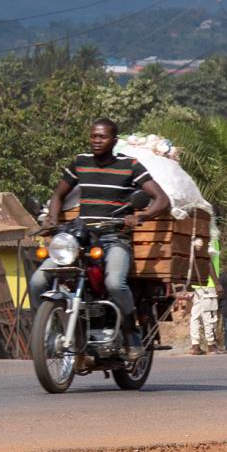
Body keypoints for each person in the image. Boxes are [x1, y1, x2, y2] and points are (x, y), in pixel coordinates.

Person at [31, 118, 172, 325]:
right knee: (37, 281)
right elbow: (58, 195)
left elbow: (162, 199)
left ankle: (130, 326)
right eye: (93, 136)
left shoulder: (129, 166)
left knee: (115, 283)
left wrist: (141, 216)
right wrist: (52, 219)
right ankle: (51, 327)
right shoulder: (81, 162)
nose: (96, 140)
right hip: (82, 239)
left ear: (114, 141)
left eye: (102, 137)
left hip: (115, 238)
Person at [189, 274, 220, 355]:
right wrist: (217, 283)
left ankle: (195, 344)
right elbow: (209, 262)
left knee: (195, 315)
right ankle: (211, 345)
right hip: (209, 284)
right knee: (209, 314)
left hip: (197, 284)